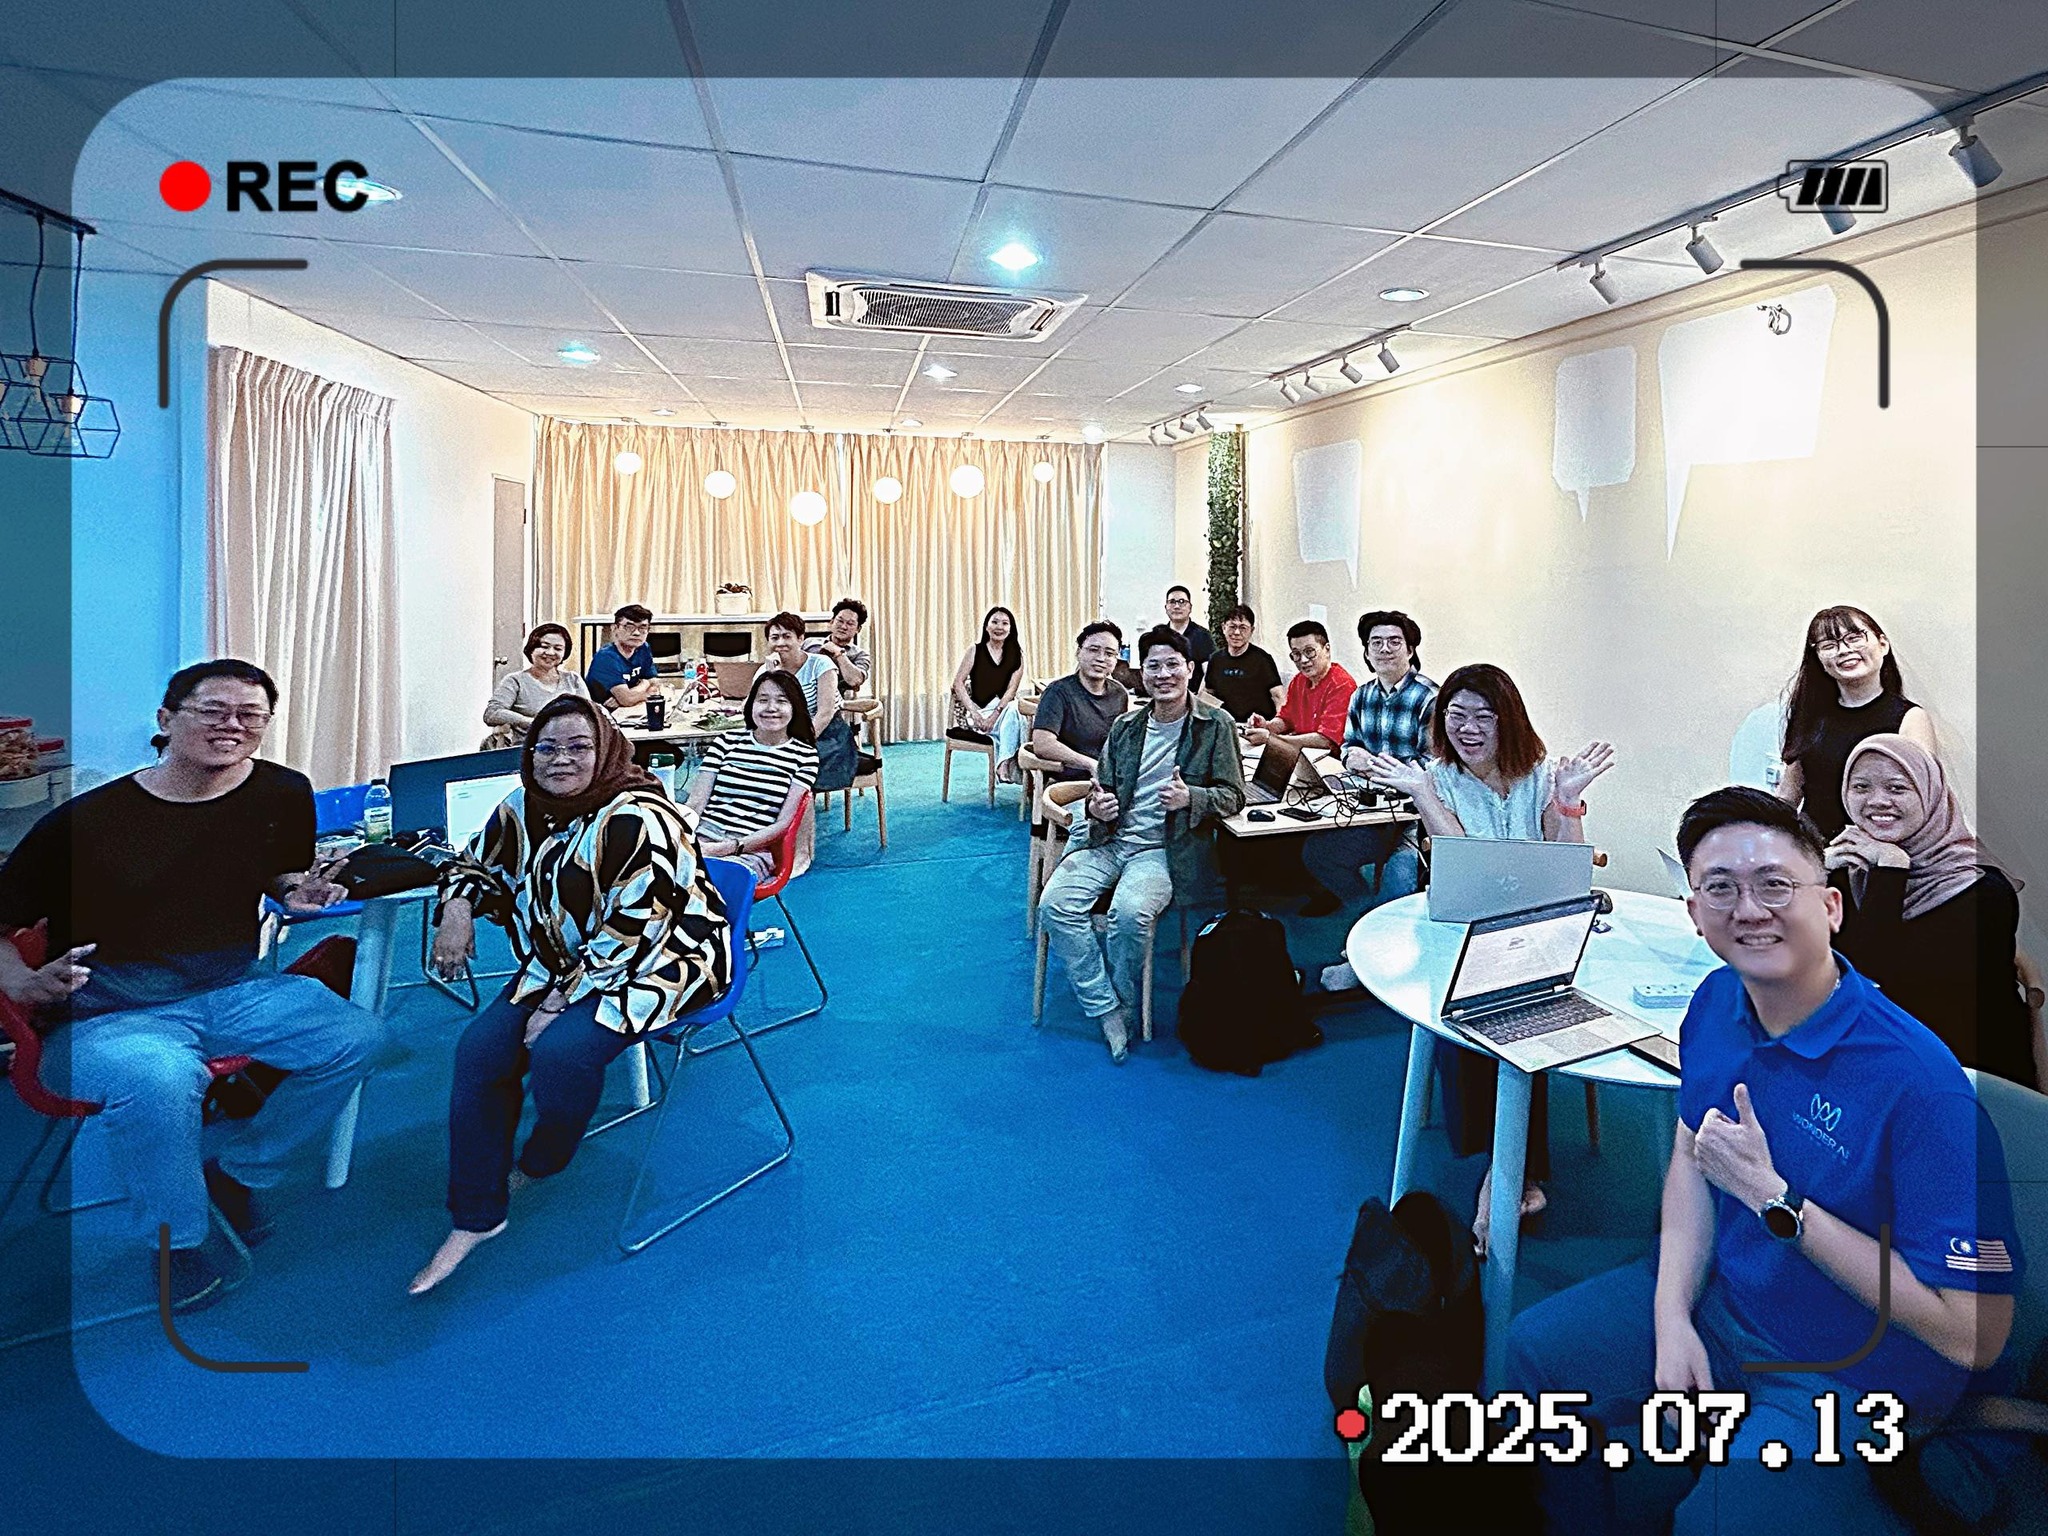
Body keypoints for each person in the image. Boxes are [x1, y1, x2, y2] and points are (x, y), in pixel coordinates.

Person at [1507, 786, 2021, 1536]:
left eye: (1775, 884)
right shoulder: (1715, 1003)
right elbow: (1692, 1155)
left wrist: (1779, 1204)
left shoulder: (1921, 1087)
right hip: (1728, 1300)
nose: (1749, 909)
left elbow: (1973, 1334)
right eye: (1720, 888)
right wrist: (1671, 1315)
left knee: (1721, 1519)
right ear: (1694, 913)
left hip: (1857, 1366)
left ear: (1831, 906)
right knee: (1533, 1359)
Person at [0, 660, 379, 1310]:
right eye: (213, 710)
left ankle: (240, 1171)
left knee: (357, 1037)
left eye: (250, 715)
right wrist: (25, 981)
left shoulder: (282, 792)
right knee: (162, 1079)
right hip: (104, 1014)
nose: (232, 725)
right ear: (166, 719)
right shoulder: (87, 822)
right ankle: (174, 1241)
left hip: (231, 990)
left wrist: (296, 890)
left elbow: (278, 872)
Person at [414, 695, 733, 1294]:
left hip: (666, 959)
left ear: (605, 750)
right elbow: (474, 863)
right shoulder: (524, 806)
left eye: (578, 747)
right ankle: (476, 1214)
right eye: (547, 748)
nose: (560, 760)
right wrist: (456, 907)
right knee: (480, 1051)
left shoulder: (640, 817)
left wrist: (559, 1001)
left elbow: (639, 926)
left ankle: (548, 1154)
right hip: (564, 961)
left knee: (560, 1052)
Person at [1362, 662, 1616, 1255]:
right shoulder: (1438, 778)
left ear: (1509, 721)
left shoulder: (1542, 775)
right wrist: (1424, 796)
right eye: (1456, 715)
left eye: (1483, 716)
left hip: (1537, 931)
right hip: (1464, 930)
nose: (1468, 728)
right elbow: (1465, 871)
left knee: (1526, 1007)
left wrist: (1569, 801)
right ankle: (1509, 1172)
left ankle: (1506, 1172)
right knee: (1475, 1011)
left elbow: (1567, 868)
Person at [1040, 627, 1245, 1062]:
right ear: (1141, 672)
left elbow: (1233, 795)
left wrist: (1192, 797)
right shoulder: (1126, 726)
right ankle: (1107, 1008)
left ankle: (1126, 1001)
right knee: (1054, 905)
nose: (1163, 674)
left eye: (1173, 665)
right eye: (1154, 666)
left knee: (1130, 915)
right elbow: (1101, 788)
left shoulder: (1215, 725)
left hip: (1163, 849)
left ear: (1190, 669)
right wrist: (1098, 806)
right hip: (1108, 840)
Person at [1828, 734, 2037, 1087]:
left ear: (1930, 793)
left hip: (1969, 1077)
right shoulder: (1851, 871)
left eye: (1897, 788)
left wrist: (1892, 869)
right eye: (1861, 787)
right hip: (1879, 1063)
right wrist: (1813, 875)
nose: (1878, 801)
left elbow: (1877, 984)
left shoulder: (1983, 892)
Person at [1304, 610, 1438, 972]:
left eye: (1394, 642)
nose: (1384, 649)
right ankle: (1367, 921)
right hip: (1367, 809)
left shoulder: (1429, 697)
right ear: (1366, 651)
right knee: (1317, 854)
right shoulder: (1361, 696)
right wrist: (1353, 757)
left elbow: (1435, 764)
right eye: (1376, 643)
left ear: (1410, 649)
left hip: (1414, 819)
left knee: (1400, 879)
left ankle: (1377, 954)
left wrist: (1382, 767)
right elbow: (1348, 747)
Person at [1775, 604, 1935, 839]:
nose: (1844, 650)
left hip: (1881, 850)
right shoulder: (1809, 716)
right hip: (1814, 850)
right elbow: (1788, 797)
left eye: (1854, 638)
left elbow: (1923, 799)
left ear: (1883, 644)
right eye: (1829, 645)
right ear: (1818, 658)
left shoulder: (1911, 718)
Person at [686, 671, 820, 881]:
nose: (771, 708)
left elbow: (782, 823)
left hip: (752, 848)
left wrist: (729, 847)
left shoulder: (805, 755)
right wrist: (684, 839)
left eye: (782, 701)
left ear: (795, 707)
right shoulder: (726, 741)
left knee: (720, 881)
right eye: (763, 700)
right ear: (751, 705)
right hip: (703, 835)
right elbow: (696, 803)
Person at [757, 611, 849, 791]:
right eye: (774, 638)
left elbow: (825, 713)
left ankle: (795, 808)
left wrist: (797, 744)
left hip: (825, 734)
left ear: (800, 639)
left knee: (785, 764)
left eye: (787, 636)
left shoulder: (820, 664)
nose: (780, 643)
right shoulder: (766, 670)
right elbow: (751, 708)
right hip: (784, 734)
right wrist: (772, 676)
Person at [1029, 621, 1130, 782]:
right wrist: (1090, 764)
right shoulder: (1058, 691)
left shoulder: (1119, 694)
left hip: (1108, 779)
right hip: (1068, 781)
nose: (1101, 658)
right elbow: (1043, 744)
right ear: (1078, 652)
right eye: (1093, 650)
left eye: (1109, 653)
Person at [1246, 620, 1354, 752]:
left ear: (1327, 649)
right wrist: (1267, 726)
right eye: (1296, 654)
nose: (1303, 660)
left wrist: (1271, 739)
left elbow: (1326, 740)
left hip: (1330, 759)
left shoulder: (1342, 684)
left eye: (1309, 651)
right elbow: (1286, 720)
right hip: (1301, 753)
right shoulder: (1299, 680)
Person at [948, 605, 1026, 775]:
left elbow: (1011, 691)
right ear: (986, 626)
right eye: (995, 622)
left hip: (1003, 711)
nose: (999, 627)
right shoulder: (975, 650)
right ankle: (1008, 764)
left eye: (1005, 623)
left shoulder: (1017, 655)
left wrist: (995, 716)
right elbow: (958, 683)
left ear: (1011, 628)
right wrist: (974, 712)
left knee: (1015, 708)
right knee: (1018, 721)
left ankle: (1003, 763)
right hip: (979, 714)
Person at [482, 623, 589, 746]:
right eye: (544, 646)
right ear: (531, 648)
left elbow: (590, 714)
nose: (550, 652)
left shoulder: (573, 679)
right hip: (528, 749)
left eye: (558, 648)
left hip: (570, 748)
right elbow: (491, 713)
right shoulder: (515, 680)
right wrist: (531, 722)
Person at [1199, 603, 1284, 723]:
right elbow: (1208, 695)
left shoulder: (1263, 659)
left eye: (1243, 628)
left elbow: (1278, 697)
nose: (1237, 632)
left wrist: (1278, 724)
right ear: (1223, 628)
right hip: (1225, 725)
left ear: (1252, 630)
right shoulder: (1215, 659)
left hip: (1256, 726)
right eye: (1232, 627)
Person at [585, 603, 658, 711]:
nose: (636, 633)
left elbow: (654, 683)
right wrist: (645, 687)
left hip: (628, 710)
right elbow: (627, 699)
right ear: (614, 628)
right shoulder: (606, 657)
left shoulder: (643, 648)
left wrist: (629, 696)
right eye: (629, 627)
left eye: (643, 627)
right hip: (601, 713)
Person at [804, 597, 873, 699]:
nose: (844, 627)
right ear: (831, 622)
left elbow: (855, 680)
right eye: (840, 621)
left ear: (858, 629)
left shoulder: (860, 655)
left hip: (837, 704)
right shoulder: (809, 643)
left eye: (850, 623)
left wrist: (839, 653)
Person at [1162, 584, 1214, 689]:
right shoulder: (1160, 635)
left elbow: (1209, 673)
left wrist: (1199, 697)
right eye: (1172, 602)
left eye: (1182, 602)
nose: (1177, 606)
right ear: (1166, 607)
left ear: (1190, 607)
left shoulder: (1202, 636)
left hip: (1192, 695)